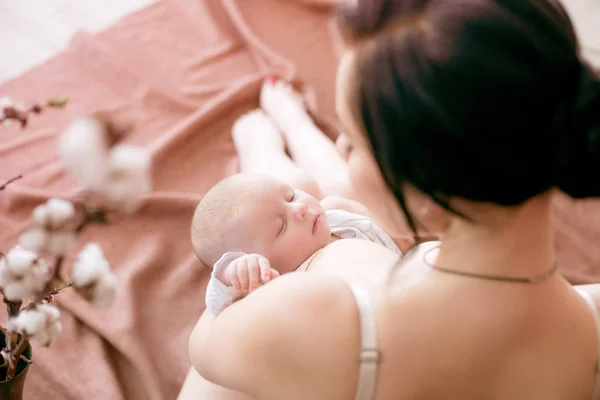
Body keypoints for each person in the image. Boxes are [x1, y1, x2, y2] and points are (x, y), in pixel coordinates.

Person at [184, 0, 600, 398]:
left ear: (426, 195)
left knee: (315, 189)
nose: (344, 144)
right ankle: (286, 128)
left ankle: (268, 139)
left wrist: (236, 277)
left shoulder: (308, 317)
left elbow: (204, 343)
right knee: (331, 196)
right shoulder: (585, 329)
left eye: (357, 143)